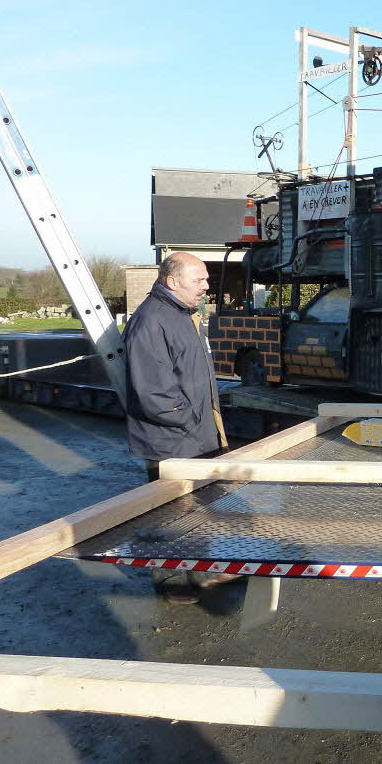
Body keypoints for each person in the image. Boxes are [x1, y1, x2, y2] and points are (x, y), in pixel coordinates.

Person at [124, 251, 230, 603]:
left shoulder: (182, 315)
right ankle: (171, 583)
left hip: (195, 435)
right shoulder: (151, 320)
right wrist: (191, 420)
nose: (206, 285)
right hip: (171, 439)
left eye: (206, 279)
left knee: (198, 510)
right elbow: (153, 392)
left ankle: (201, 572)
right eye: (199, 279)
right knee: (170, 514)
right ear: (173, 281)